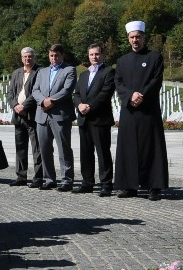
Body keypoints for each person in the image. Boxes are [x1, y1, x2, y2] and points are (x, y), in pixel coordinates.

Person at [113, 20, 168, 201]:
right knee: (128, 148)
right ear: (128, 39)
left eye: (138, 37)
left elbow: (155, 81)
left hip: (148, 110)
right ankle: (129, 186)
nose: (135, 40)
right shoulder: (122, 61)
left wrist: (141, 95)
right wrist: (130, 96)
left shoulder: (155, 57)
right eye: (132, 37)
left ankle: (154, 186)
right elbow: (119, 83)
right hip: (129, 111)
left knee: (151, 148)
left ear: (144, 38)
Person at [32, 44, 76, 192]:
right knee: (44, 149)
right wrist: (43, 101)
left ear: (62, 55)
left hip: (60, 115)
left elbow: (67, 90)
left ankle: (67, 179)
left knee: (64, 148)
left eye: (57, 55)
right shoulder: (42, 71)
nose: (54, 58)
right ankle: (49, 179)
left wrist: (51, 101)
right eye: (51, 55)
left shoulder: (69, 70)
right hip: (42, 115)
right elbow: (35, 90)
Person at [72, 44, 115, 197]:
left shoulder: (108, 72)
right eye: (91, 55)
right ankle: (87, 182)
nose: (94, 57)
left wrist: (89, 106)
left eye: (97, 54)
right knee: (86, 153)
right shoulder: (83, 75)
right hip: (84, 119)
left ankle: (106, 184)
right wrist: (79, 105)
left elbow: (105, 93)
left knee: (103, 153)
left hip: (99, 119)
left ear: (102, 55)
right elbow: (76, 94)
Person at [6, 47, 43, 188]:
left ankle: (38, 177)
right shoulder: (16, 73)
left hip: (32, 115)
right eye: (25, 57)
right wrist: (15, 105)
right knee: (20, 147)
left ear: (34, 58)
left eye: (30, 56)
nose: (28, 59)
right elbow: (10, 93)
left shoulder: (39, 72)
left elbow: (37, 92)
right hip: (18, 115)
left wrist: (24, 106)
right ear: (22, 58)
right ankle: (21, 176)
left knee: (36, 148)